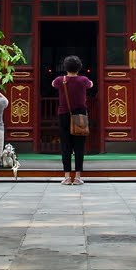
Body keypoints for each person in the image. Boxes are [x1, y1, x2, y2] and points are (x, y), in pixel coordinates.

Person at [53, 55, 93, 185]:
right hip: (80, 115)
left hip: (64, 114)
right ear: (79, 67)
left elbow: (52, 84)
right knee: (79, 146)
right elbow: (91, 85)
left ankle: (66, 176)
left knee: (65, 145)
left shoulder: (60, 80)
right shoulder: (84, 80)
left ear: (65, 67)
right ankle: (77, 177)